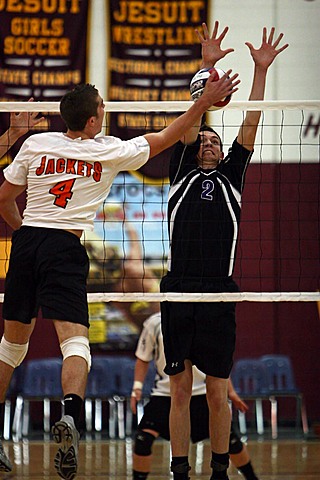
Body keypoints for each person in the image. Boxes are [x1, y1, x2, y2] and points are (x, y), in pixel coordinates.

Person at [0, 73, 239, 479]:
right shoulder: (108, 150)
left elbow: (3, 198)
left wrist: (13, 135)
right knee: (75, 341)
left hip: (26, 243)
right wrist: (202, 105)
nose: (104, 115)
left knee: (11, 348)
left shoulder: (35, 143)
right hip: (62, 247)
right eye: (102, 111)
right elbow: (165, 138)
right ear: (93, 122)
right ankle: (71, 414)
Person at [160, 22, 288, 480]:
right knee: (178, 391)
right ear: (196, 149)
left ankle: (218, 469)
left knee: (217, 390)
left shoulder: (233, 174)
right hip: (177, 290)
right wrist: (207, 66)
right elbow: (191, 120)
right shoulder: (180, 169)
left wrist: (260, 70)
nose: (211, 142)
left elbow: (250, 118)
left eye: (217, 140)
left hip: (217, 292)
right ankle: (179, 470)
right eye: (206, 140)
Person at [131, 312, 260, 480]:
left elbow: (218, 366)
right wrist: (137, 388)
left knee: (231, 441)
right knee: (142, 440)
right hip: (165, 394)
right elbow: (142, 358)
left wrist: (231, 392)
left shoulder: (207, 318)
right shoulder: (154, 323)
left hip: (203, 394)